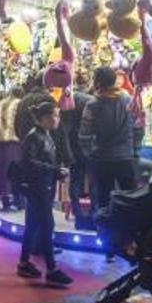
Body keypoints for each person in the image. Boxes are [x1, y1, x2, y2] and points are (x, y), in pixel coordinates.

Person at [16, 101, 73, 286]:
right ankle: (51, 269)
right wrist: (54, 170)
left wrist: (54, 171)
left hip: (42, 186)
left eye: (57, 115)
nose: (57, 119)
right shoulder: (35, 137)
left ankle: (24, 263)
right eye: (53, 116)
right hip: (38, 187)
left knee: (32, 225)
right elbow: (29, 163)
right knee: (47, 225)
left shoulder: (44, 135)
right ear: (44, 118)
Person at [79, 67, 135, 211]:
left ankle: (107, 230)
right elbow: (137, 126)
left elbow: (84, 134)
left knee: (104, 199)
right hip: (125, 157)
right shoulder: (128, 99)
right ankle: (130, 230)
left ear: (97, 82)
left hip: (102, 159)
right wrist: (133, 147)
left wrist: (90, 152)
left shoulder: (92, 105)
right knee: (129, 197)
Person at [61, 80, 94, 223]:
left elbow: (63, 128)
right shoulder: (91, 102)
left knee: (75, 179)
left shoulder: (69, 102)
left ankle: (76, 210)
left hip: (73, 146)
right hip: (90, 146)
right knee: (93, 180)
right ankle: (94, 211)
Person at [0, 87, 23, 210]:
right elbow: (19, 122)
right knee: (13, 171)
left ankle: (4, 197)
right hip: (13, 141)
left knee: (1, 170)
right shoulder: (18, 103)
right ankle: (16, 199)